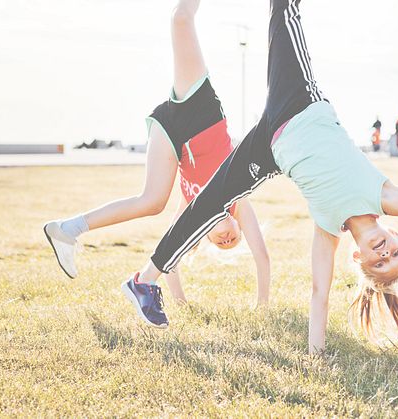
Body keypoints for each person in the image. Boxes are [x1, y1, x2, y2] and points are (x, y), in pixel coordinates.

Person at [122, 0, 398, 353]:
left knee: (208, 204)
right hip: (299, 100)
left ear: (358, 258)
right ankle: (149, 278)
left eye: (379, 263)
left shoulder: (328, 231)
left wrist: (317, 355)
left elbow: (318, 296)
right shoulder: (388, 198)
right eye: (394, 254)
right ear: (397, 235)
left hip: (268, 148)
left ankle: (144, 281)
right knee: (283, 8)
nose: (384, 254)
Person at [43, 0, 271, 307]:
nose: (226, 240)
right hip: (200, 114)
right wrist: (263, 306)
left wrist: (181, 303)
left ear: (204, 238)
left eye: (221, 245)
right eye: (234, 239)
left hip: (171, 133)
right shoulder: (238, 200)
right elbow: (262, 255)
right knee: (181, 18)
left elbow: (171, 249)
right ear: (238, 227)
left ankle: (68, 229)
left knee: (151, 202)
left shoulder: (193, 208)